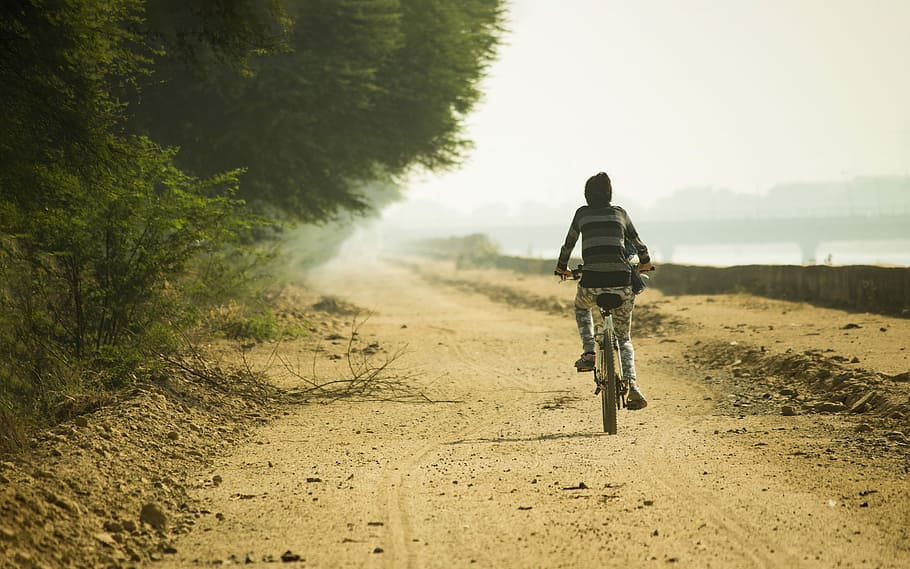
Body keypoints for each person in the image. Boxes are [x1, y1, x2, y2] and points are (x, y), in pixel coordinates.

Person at [554, 172, 653, 410]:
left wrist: (561, 267)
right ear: (610, 194)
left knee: (581, 306)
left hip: (591, 283)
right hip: (622, 283)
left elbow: (569, 243)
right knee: (624, 338)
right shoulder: (620, 213)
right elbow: (639, 244)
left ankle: (589, 351)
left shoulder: (582, 214)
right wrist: (646, 263)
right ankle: (632, 385)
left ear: (587, 195)